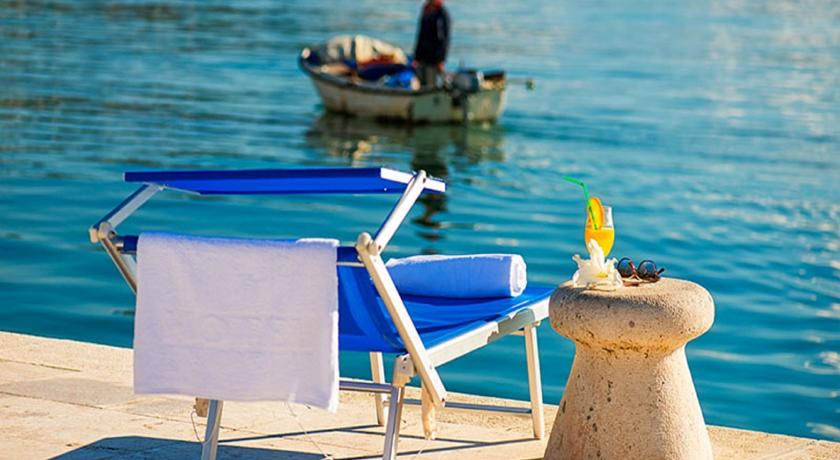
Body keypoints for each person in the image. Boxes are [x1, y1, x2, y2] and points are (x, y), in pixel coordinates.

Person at [413, 0, 450, 88]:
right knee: (421, 83)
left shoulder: (442, 15)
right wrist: (416, 57)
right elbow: (420, 36)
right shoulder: (426, 10)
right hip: (422, 57)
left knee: (430, 85)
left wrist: (440, 60)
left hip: (433, 59)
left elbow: (443, 40)